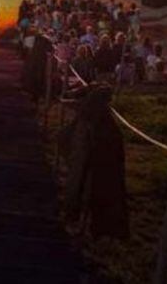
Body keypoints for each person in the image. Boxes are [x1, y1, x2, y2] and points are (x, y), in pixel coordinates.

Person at [62, 86, 128, 239]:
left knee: (89, 186)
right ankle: (81, 220)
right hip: (89, 157)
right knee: (84, 184)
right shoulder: (93, 123)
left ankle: (84, 221)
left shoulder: (97, 125)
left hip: (96, 162)